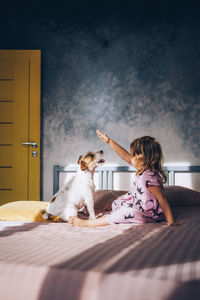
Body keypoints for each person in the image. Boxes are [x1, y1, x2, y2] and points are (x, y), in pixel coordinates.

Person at [69, 129, 179, 227]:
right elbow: (124, 155)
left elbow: (162, 199)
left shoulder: (150, 176)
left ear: (144, 158)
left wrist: (170, 220)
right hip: (136, 203)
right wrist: (109, 141)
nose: (131, 158)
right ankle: (116, 214)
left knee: (124, 213)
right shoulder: (142, 168)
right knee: (117, 203)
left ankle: (89, 223)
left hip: (147, 213)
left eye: (134, 155)